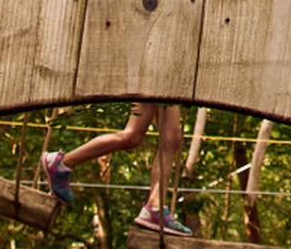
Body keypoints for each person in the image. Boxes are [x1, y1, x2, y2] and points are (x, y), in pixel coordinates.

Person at [41, 100, 187, 235]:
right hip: (158, 74)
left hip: (163, 75)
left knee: (145, 138)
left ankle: (155, 206)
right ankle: (62, 163)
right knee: (156, 137)